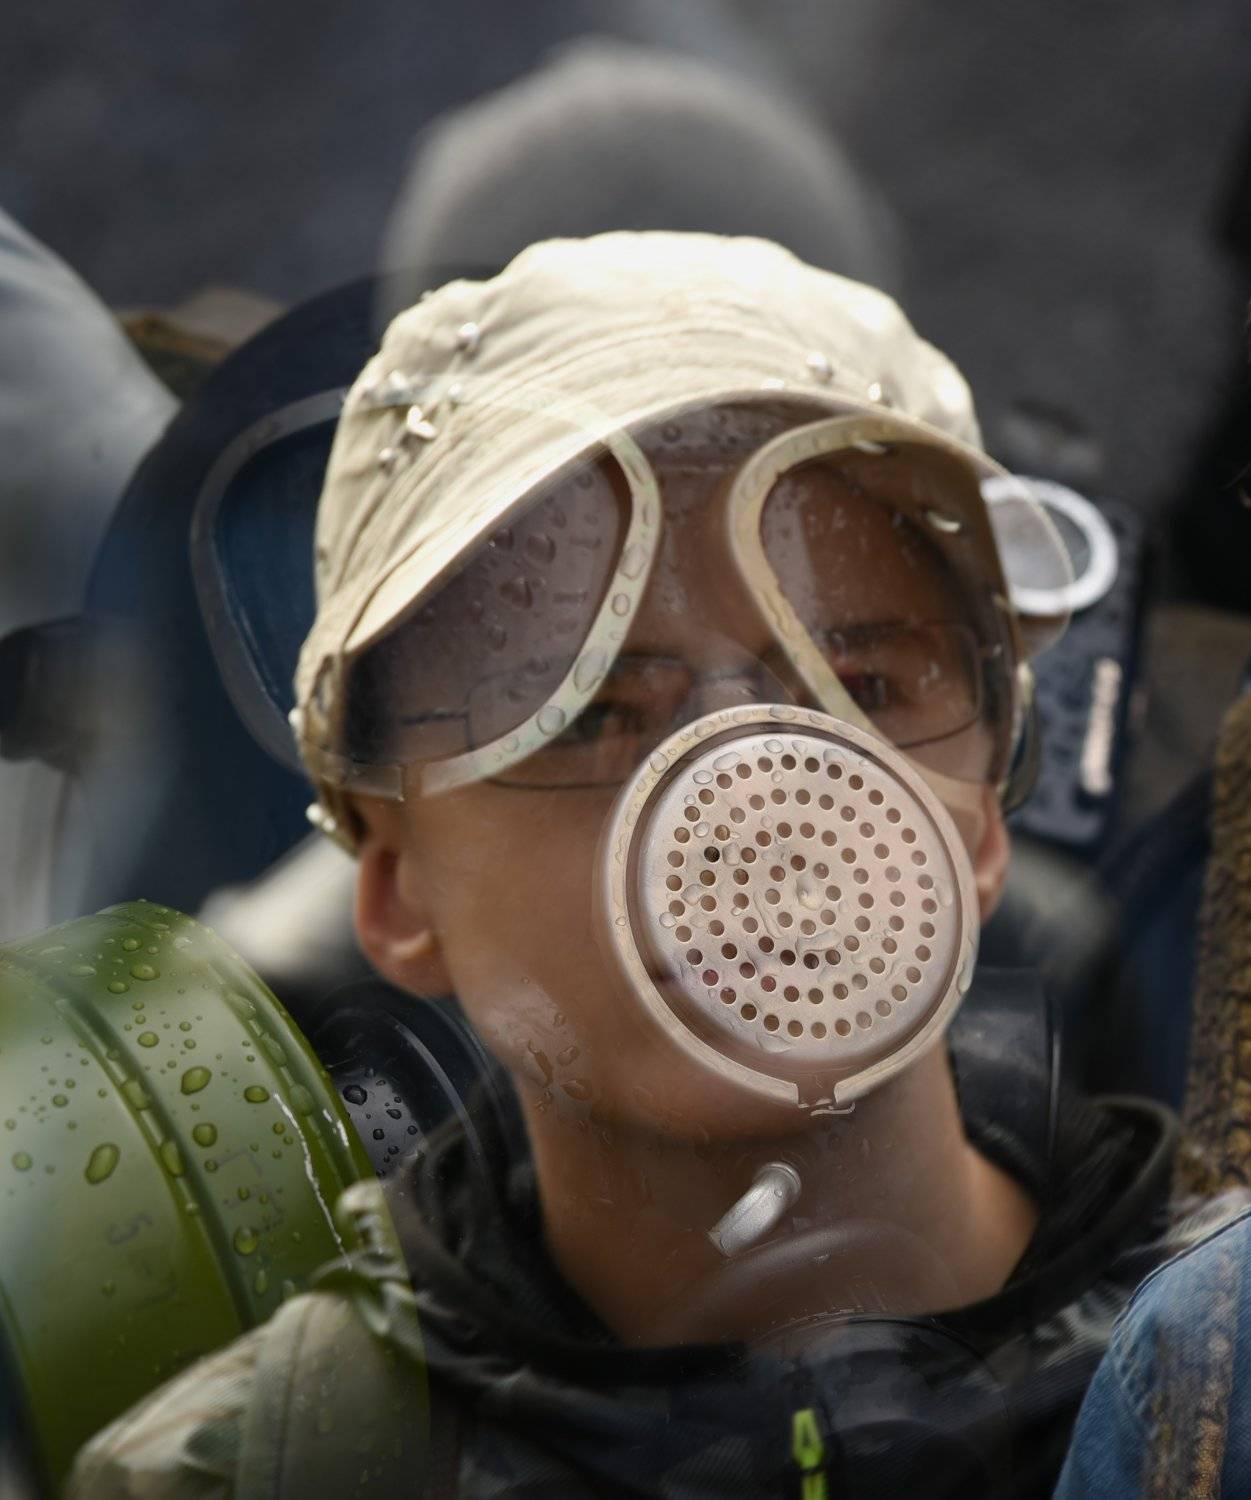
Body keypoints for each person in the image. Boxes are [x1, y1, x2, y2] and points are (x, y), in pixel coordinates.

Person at [68, 232, 1175, 1498]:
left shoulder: (1226, 1385)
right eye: (588, 713)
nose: (744, 795)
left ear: (980, 821)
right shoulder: (251, 1476)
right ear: (393, 882)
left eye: (860, 688)